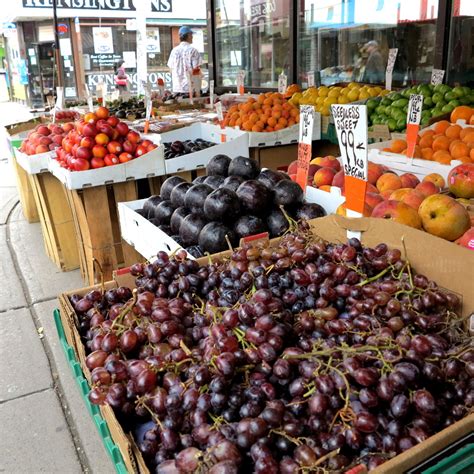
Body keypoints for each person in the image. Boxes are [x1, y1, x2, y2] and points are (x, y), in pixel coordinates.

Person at [167, 26, 202, 94]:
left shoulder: (174, 51)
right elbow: (196, 70)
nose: (192, 37)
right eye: (191, 35)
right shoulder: (193, 51)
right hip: (191, 89)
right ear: (188, 35)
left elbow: (170, 69)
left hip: (177, 89)